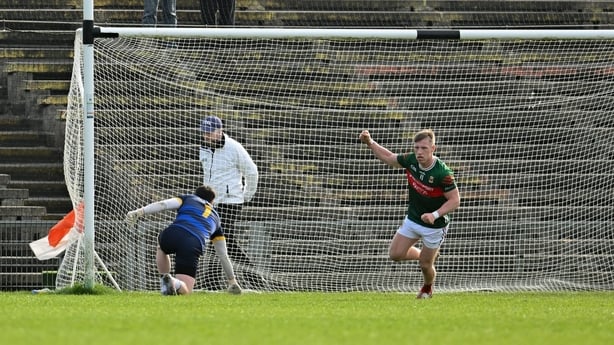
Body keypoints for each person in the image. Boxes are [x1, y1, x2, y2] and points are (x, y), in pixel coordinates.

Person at [359, 128, 460, 299]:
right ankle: (426, 255)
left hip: (435, 226)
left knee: (425, 266)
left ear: (433, 148)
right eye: (417, 148)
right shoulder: (411, 160)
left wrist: (434, 215)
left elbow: (455, 200)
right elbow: (390, 158)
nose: (419, 152)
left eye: (424, 148)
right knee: (395, 255)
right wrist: (370, 143)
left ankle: (427, 287)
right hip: (413, 219)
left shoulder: (443, 173)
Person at [125, 185, 242, 295]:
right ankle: (174, 283)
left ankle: (165, 277)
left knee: (161, 247)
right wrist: (232, 281)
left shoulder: (188, 198)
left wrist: (140, 212)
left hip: (173, 232)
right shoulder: (217, 220)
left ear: (195, 194)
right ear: (212, 201)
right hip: (193, 242)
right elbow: (223, 255)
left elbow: (163, 204)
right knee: (185, 290)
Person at [199, 115, 266, 290]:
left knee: (223, 239)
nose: (206, 135)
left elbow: (252, 171)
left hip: (231, 201)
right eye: (204, 132)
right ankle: (212, 283)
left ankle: (254, 278)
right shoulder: (204, 147)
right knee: (218, 241)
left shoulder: (234, 147)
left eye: (209, 132)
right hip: (213, 203)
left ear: (219, 131)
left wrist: (246, 196)